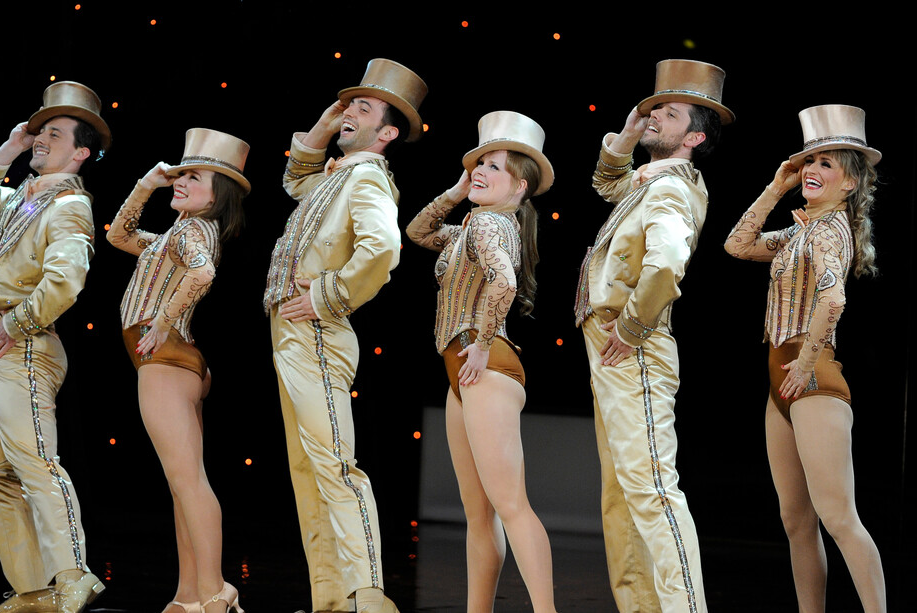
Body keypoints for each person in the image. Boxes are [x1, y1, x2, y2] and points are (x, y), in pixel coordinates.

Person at [262, 58, 427, 613]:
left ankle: (368, 593)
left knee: (332, 464)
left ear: (388, 133)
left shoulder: (369, 176)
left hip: (317, 331)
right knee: (308, 470)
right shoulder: (335, 175)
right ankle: (332, 597)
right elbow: (293, 180)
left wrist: (329, 294)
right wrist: (325, 126)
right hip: (291, 332)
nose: (349, 112)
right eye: (348, 104)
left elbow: (382, 249)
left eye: (364, 107)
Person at [572, 59, 734, 613]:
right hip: (612, 341)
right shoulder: (651, 182)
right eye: (653, 109)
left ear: (693, 136)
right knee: (622, 492)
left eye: (668, 113)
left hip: (632, 343)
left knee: (650, 488)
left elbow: (665, 263)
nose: (653, 117)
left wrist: (633, 325)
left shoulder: (672, 189)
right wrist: (623, 139)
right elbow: (606, 183)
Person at [723, 105, 886, 613]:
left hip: (808, 374)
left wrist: (806, 359)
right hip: (782, 375)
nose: (812, 171)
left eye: (827, 165)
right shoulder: (801, 233)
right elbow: (736, 245)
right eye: (808, 161)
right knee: (796, 520)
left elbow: (834, 300)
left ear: (851, 185)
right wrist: (777, 187)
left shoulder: (826, 232)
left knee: (838, 517)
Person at [0, 81, 111, 613]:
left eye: (54, 133)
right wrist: (13, 147)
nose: (42, 138)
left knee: (36, 461)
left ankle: (74, 573)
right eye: (40, 130)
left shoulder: (69, 205)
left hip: (21, 344)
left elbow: (67, 279)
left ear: (81, 152)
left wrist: (20, 321)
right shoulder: (23, 199)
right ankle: (34, 588)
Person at [406, 111, 557, 612]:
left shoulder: (491, 222)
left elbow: (505, 283)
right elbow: (418, 230)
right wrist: (456, 189)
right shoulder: (471, 225)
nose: (480, 171)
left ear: (520, 185)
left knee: (510, 505)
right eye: (478, 162)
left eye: (494, 166)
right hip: (466, 370)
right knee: (480, 515)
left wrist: (483, 340)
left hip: (484, 364)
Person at [107, 128, 249, 613]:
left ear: (219, 193)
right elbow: (118, 235)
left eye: (194, 176)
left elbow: (203, 273)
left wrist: (162, 320)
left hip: (165, 359)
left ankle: (213, 591)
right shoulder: (175, 234)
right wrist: (148, 185)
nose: (182, 181)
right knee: (182, 483)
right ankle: (189, 594)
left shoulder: (191, 232)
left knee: (187, 481)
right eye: (181, 174)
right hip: (178, 360)